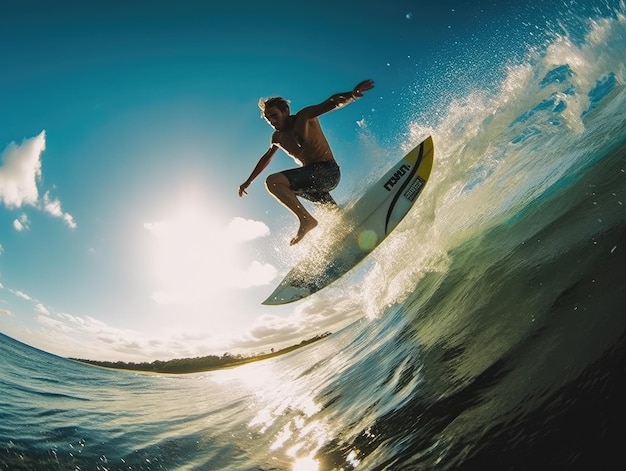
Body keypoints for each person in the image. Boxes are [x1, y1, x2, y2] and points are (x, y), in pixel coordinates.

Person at [238, 79, 375, 245]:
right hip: (311, 182)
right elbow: (266, 158)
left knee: (273, 181)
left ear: (286, 111)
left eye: (274, 116)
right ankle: (353, 235)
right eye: (268, 119)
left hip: (327, 172)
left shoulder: (304, 117)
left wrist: (352, 95)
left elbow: (331, 102)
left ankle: (306, 220)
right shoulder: (277, 137)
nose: (272, 122)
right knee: (336, 217)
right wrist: (248, 181)